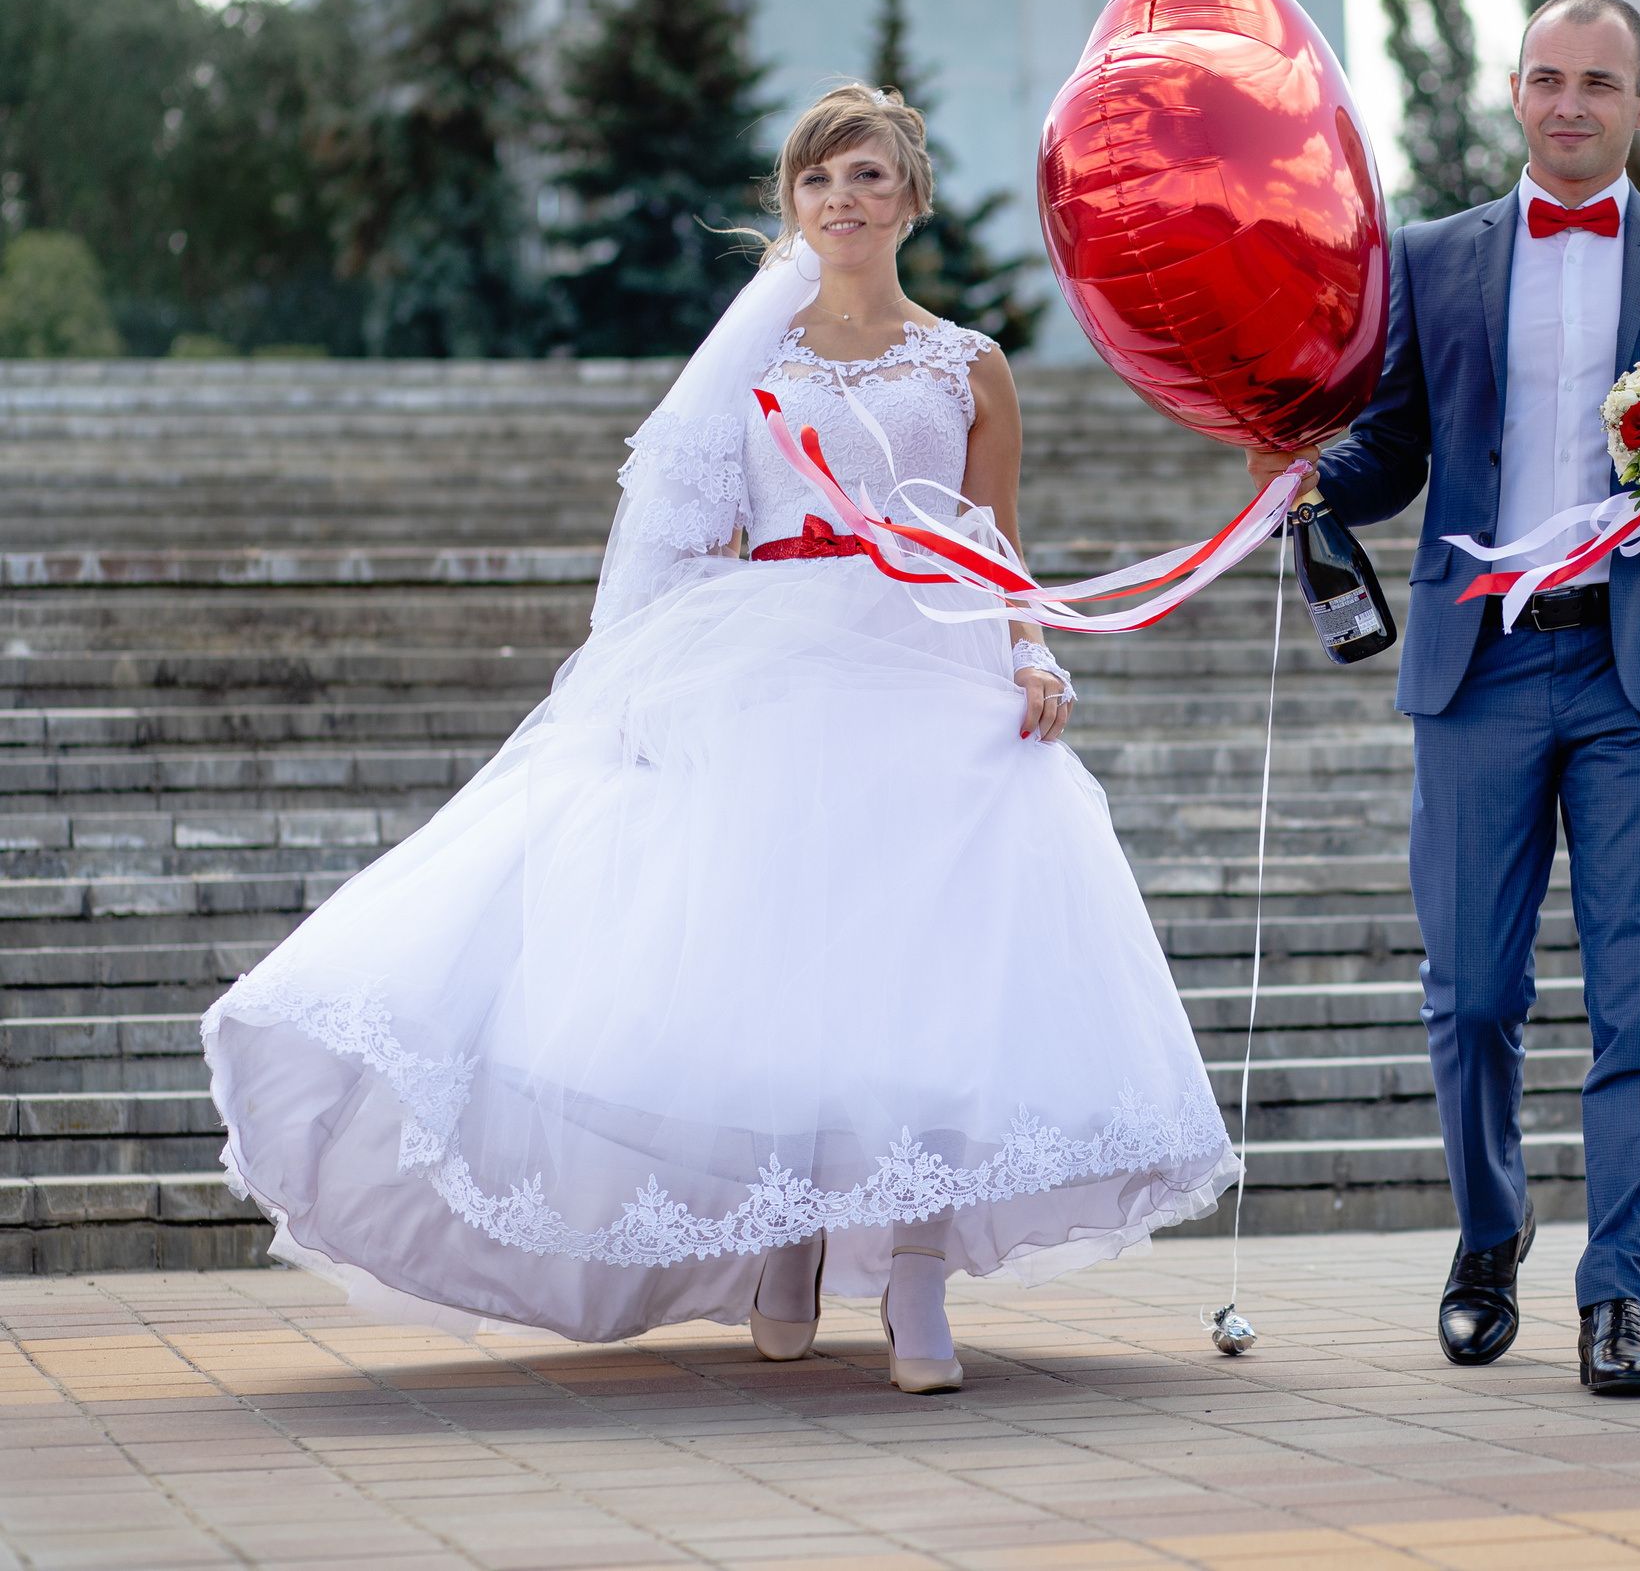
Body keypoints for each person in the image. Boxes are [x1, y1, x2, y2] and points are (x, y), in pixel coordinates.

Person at [204, 84, 1237, 1391]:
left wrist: (1031, 651)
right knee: (788, 974)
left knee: (921, 983)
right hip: (779, 672)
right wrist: (647, 685)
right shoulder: (751, 360)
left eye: (869, 178)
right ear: (792, 203)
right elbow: (680, 533)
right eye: (821, 181)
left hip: (929, 677)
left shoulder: (969, 363)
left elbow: (993, 541)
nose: (845, 200)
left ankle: (916, 1280)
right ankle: (787, 1242)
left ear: (910, 199)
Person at [1248, 0, 1640, 1397]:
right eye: (1548, 79)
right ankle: (1491, 1236)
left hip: (1631, 668)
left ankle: (1621, 1298)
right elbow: (1395, 444)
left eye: (1600, 83)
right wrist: (1312, 478)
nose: (1569, 103)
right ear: (1514, 90)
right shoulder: (1433, 258)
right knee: (1474, 994)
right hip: (1479, 662)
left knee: (1635, 999)